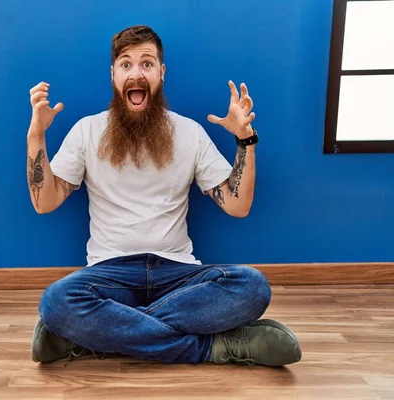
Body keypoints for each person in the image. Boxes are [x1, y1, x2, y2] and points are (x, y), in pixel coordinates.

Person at [26, 25, 301, 367]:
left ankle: (95, 337)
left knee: (252, 286)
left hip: (179, 274)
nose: (136, 72)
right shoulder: (87, 131)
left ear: (161, 73)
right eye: (125, 64)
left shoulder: (189, 132)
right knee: (56, 302)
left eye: (147, 63)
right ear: (113, 75)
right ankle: (214, 347)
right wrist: (36, 136)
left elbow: (238, 205)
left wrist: (245, 141)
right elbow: (44, 201)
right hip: (109, 274)